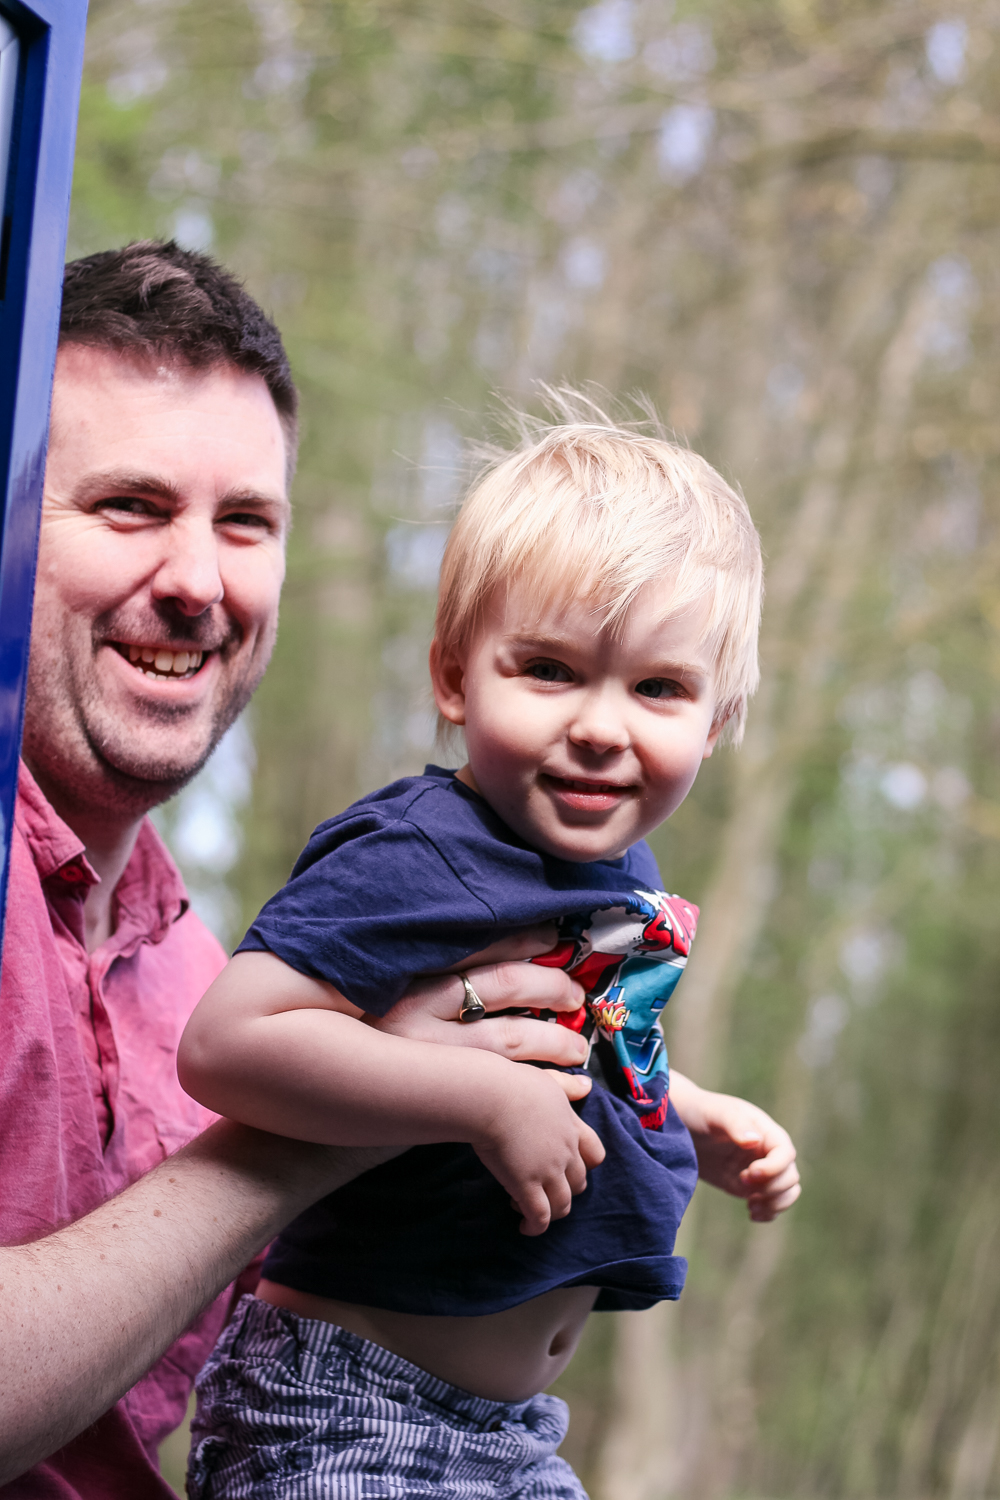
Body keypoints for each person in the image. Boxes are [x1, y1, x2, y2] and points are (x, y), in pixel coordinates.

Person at [0, 243, 626, 1498]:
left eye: (245, 523)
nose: (197, 581)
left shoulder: (201, 964)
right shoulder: (272, 1030)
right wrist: (350, 1110)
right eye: (130, 506)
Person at [178, 407, 801, 1499]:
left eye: (657, 689)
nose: (603, 726)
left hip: (510, 1432)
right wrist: (477, 1099)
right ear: (457, 679)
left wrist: (689, 1112)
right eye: (549, 670)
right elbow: (228, 1045)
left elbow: (580, 1036)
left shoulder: (620, 875)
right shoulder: (420, 850)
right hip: (347, 1408)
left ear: (717, 719)